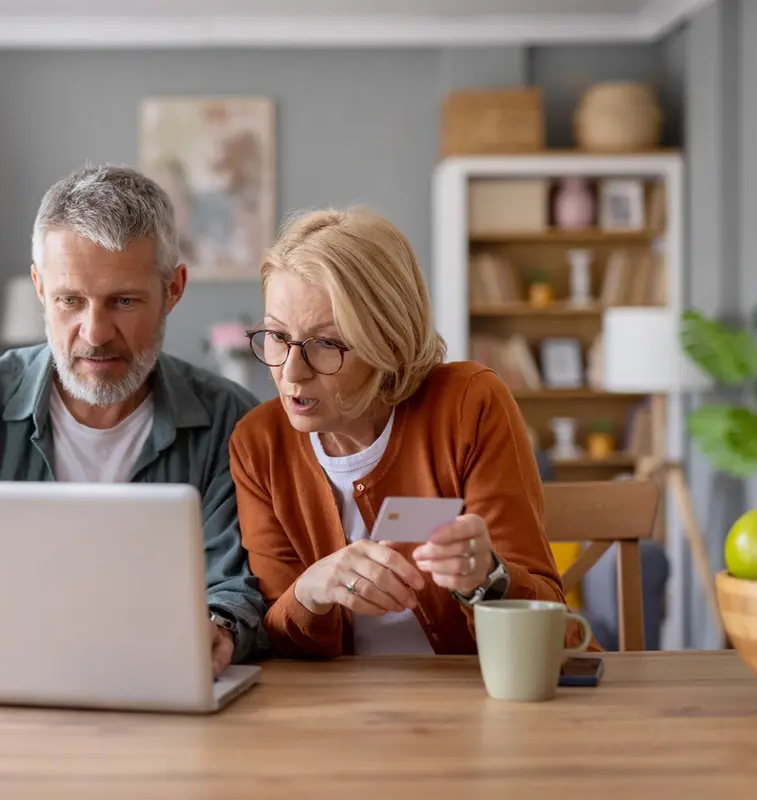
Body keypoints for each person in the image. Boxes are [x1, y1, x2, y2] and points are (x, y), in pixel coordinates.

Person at [0, 164, 267, 676]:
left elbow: (237, 586)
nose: (94, 333)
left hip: (156, 692)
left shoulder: (231, 423)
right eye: (70, 301)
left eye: (123, 301)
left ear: (174, 289)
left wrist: (220, 630)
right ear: (38, 286)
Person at [228, 206, 581, 659]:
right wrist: (310, 591)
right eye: (277, 336)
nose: (291, 372)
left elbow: (551, 625)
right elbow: (277, 644)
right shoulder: (259, 443)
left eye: (326, 344)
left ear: (388, 342)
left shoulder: (468, 406)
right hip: (330, 719)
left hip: (471, 705)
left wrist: (485, 576)